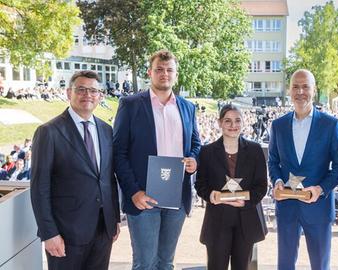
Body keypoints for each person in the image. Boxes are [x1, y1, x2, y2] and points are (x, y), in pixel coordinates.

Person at [113, 49, 201, 270]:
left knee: (166, 262)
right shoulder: (131, 104)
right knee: (145, 263)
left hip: (176, 198)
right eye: (159, 70)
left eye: (169, 70)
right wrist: (133, 192)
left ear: (176, 74)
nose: (165, 74)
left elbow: (196, 145)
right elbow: (119, 153)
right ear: (149, 73)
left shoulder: (188, 107)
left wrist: (194, 160)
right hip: (144, 197)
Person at [30, 70, 120, 270]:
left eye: (93, 91)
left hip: (102, 230)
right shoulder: (49, 132)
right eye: (81, 89)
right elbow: (39, 187)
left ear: (100, 96)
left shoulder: (106, 130)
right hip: (65, 234)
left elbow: (108, 178)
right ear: (69, 93)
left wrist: (113, 220)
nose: (87, 95)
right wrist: (49, 233)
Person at [268, 69, 338, 269]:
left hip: (318, 208)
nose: (300, 91)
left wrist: (320, 189)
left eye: (305, 86)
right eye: (296, 86)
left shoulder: (331, 125)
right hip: (287, 207)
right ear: (289, 90)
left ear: (314, 90)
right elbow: (273, 162)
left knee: (320, 265)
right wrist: (277, 182)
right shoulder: (278, 125)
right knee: (285, 265)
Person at [195, 104, 268, 270]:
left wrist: (246, 201)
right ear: (220, 123)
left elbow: (261, 186)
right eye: (227, 121)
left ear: (243, 123)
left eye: (237, 120)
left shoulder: (255, 150)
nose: (233, 125)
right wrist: (210, 195)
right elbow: (200, 184)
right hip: (217, 221)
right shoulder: (207, 151)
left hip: (246, 221)